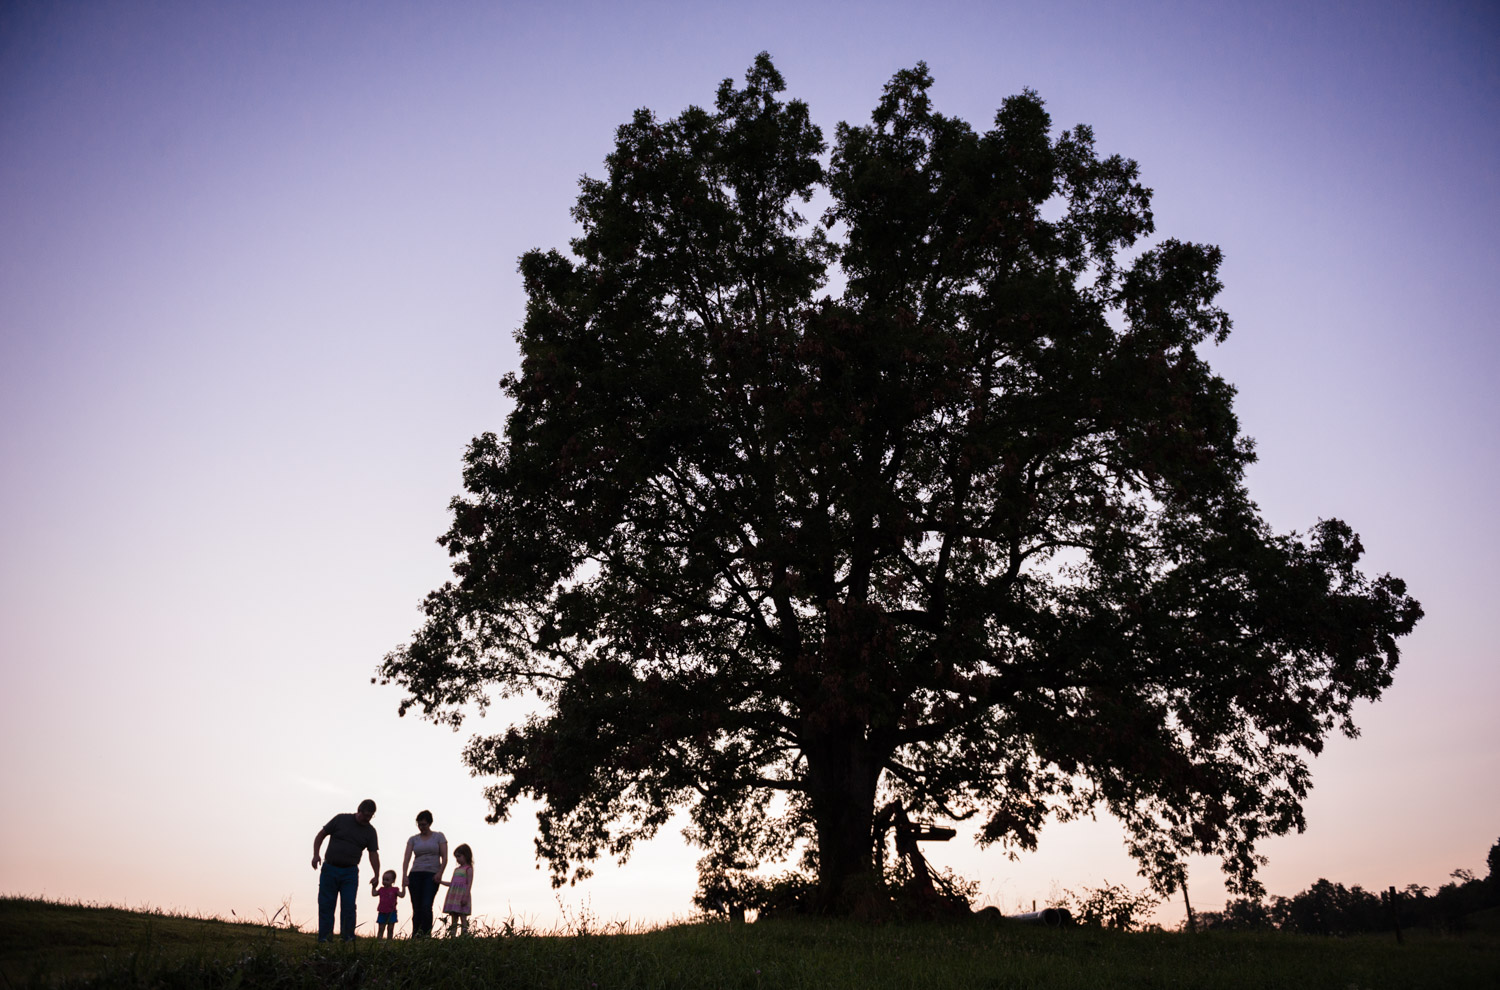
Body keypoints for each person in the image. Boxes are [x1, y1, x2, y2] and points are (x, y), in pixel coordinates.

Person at [311, 798, 380, 942]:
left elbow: (373, 853)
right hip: (330, 868)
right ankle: (325, 938)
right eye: (365, 815)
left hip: (350, 872)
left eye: (370, 816)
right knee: (326, 904)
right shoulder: (341, 819)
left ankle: (348, 938)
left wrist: (376, 875)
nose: (367, 819)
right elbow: (321, 835)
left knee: (349, 906)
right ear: (358, 810)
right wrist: (316, 854)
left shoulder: (370, 832)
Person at [401, 809, 448, 938]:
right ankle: (416, 934)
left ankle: (426, 935)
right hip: (415, 874)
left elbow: (444, 857)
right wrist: (404, 875)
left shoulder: (439, 837)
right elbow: (406, 858)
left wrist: (440, 873)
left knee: (427, 905)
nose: (421, 827)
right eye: (419, 824)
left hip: (431, 874)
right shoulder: (413, 839)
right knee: (417, 907)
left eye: (424, 824)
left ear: (429, 823)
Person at [439, 843, 473, 936]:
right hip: (454, 896)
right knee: (453, 916)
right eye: (456, 857)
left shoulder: (468, 869)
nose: (457, 859)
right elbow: (452, 884)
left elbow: (469, 884)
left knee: (462, 916)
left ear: (466, 855)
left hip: (462, 895)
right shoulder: (456, 870)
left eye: (459, 856)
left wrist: (465, 896)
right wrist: (440, 882)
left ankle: (464, 935)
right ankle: (452, 935)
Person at [373, 869, 405, 939]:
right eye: (383, 879)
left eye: (387, 880)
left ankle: (389, 941)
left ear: (393, 881)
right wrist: (373, 886)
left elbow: (402, 895)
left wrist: (404, 887)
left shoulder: (395, 890)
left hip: (391, 912)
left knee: (390, 928)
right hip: (382, 912)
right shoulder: (381, 889)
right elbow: (374, 894)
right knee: (381, 928)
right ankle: (379, 941)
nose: (384, 881)